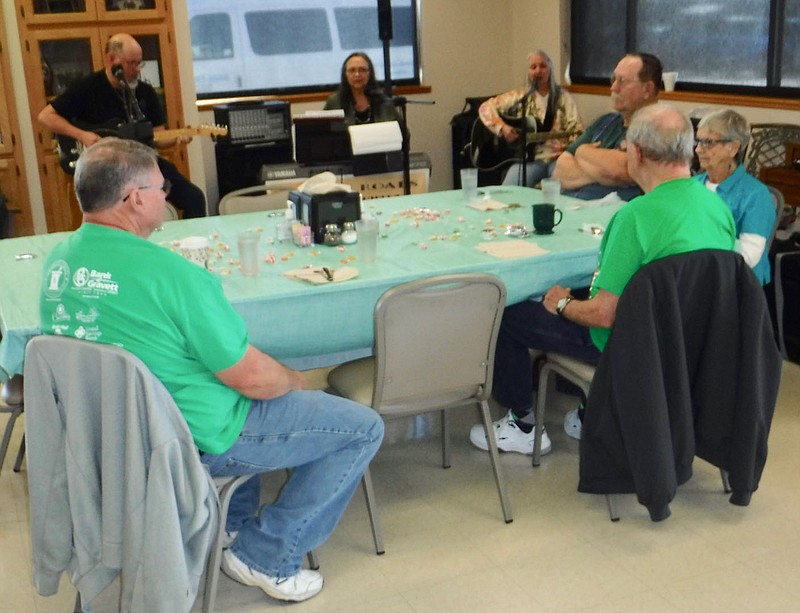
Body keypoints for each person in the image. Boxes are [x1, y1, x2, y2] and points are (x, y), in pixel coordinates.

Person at [39, 137, 384, 603]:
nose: (167, 197)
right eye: (162, 187)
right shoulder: (173, 275)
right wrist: (293, 380)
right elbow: (252, 379)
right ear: (135, 198)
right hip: (187, 438)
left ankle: (230, 527)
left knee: (246, 392)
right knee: (360, 426)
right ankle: (264, 555)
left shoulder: (58, 262)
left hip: (106, 439)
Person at [469, 105, 736, 455]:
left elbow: (603, 316)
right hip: (694, 342)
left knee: (510, 315)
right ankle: (590, 410)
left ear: (636, 153)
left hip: (635, 348)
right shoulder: (717, 208)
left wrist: (562, 303)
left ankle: (521, 423)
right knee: (584, 293)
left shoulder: (634, 217)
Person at [38, 33, 207, 218]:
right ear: (112, 60)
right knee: (121, 213)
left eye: (140, 63)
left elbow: (158, 137)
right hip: (107, 170)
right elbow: (46, 116)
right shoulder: (87, 88)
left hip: (144, 164)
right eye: (131, 63)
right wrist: (82, 135)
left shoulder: (145, 93)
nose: (137, 69)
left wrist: (176, 139)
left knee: (194, 198)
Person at [552, 53, 662, 201]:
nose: (613, 87)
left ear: (647, 89)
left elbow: (622, 171)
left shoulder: (661, 128)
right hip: (573, 207)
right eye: (613, 80)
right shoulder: (606, 121)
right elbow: (560, 170)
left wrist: (582, 152)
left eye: (622, 81)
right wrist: (603, 172)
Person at [478, 49, 583, 187]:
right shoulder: (519, 96)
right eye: (533, 67)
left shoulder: (563, 97)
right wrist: (502, 127)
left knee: (565, 188)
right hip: (528, 160)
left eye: (543, 66)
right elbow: (485, 107)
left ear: (550, 70)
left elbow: (577, 130)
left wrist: (566, 151)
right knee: (507, 191)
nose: (538, 71)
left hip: (557, 159)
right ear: (529, 72)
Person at [694, 109, 776, 285]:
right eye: (698, 141)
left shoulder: (755, 195)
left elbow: (748, 256)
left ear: (733, 148)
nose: (698, 149)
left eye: (708, 142)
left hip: (736, 286)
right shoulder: (692, 185)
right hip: (694, 276)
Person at [324, 52, 399, 125]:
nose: (357, 74)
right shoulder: (335, 102)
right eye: (352, 70)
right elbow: (323, 133)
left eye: (362, 70)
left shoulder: (383, 101)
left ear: (369, 73)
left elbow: (404, 135)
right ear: (345, 75)